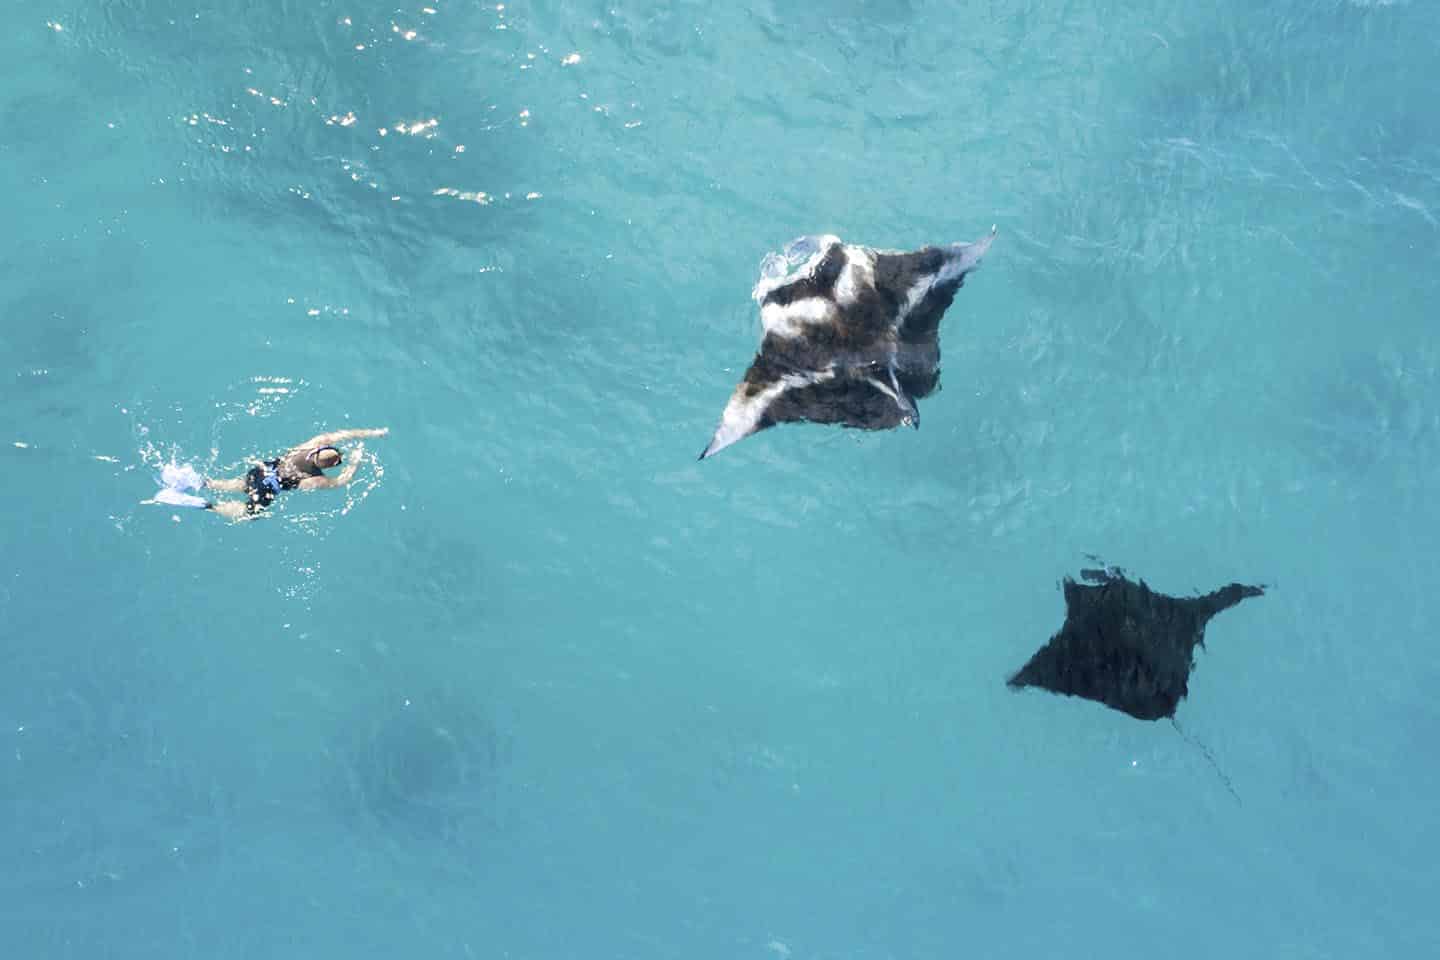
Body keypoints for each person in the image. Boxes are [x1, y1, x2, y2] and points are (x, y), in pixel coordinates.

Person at [197, 427, 389, 520]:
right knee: (249, 512)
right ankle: (210, 507)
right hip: (268, 489)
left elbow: (344, 434)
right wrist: (355, 461)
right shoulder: (316, 479)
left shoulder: (313, 444)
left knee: (241, 484)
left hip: (261, 471)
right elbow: (342, 481)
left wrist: (372, 432)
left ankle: (205, 483)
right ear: (331, 465)